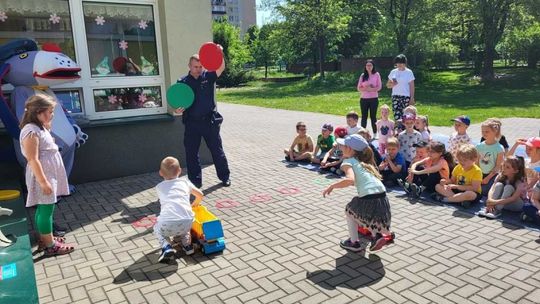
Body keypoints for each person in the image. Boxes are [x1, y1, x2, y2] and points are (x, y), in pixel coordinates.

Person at [19, 95, 75, 256]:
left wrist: (47, 126)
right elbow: (33, 159)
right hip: (42, 175)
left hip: (48, 173)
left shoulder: (39, 128)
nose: (52, 115)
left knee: (43, 209)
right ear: (38, 112)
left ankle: (45, 238)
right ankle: (50, 245)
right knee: (46, 210)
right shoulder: (31, 131)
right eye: (50, 112)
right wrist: (43, 182)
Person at [323, 134, 394, 252]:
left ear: (350, 149)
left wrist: (332, 186)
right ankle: (379, 235)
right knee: (370, 215)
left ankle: (354, 242)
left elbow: (350, 180)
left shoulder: (348, 162)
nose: (340, 147)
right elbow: (360, 181)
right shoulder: (364, 163)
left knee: (349, 210)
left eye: (343, 145)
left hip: (369, 197)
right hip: (382, 196)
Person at [175, 52, 230, 189]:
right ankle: (195, 182)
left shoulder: (208, 76)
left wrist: (218, 52)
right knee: (192, 154)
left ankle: (225, 177)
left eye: (200, 67)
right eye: (195, 67)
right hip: (191, 123)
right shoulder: (182, 82)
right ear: (189, 66)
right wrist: (177, 110)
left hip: (209, 122)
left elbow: (221, 67)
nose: (198, 69)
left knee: (217, 151)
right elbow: (177, 103)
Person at [154, 157, 203, 263]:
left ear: (161, 173)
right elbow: (200, 195)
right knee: (185, 228)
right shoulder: (185, 183)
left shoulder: (159, 187)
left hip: (168, 223)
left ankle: (166, 246)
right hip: (187, 222)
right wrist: (194, 204)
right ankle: (188, 247)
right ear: (180, 171)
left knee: (157, 228)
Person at [476, 119, 504, 196]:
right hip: (480, 173)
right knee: (476, 188)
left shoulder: (499, 148)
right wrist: (478, 175)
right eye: (482, 131)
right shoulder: (479, 146)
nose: (484, 134)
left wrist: (487, 178)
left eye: (487, 131)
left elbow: (498, 166)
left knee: (485, 191)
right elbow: (476, 162)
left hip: (492, 175)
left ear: (495, 132)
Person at [386, 54, 415, 124]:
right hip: (395, 96)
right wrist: (392, 84)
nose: (399, 64)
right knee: (397, 116)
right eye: (397, 63)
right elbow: (388, 85)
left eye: (401, 63)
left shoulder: (409, 72)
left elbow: (412, 86)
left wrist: (412, 98)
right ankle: (398, 132)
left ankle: (405, 131)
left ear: (405, 63)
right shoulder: (393, 72)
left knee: (406, 116)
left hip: (406, 97)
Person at [357, 59, 382, 135]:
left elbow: (379, 87)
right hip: (364, 99)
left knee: (373, 117)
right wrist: (365, 88)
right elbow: (358, 88)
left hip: (373, 99)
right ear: (365, 66)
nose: (369, 67)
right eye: (367, 65)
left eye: (370, 65)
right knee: (364, 117)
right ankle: (362, 134)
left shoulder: (377, 74)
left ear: (373, 66)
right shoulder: (363, 75)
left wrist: (371, 89)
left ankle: (375, 134)